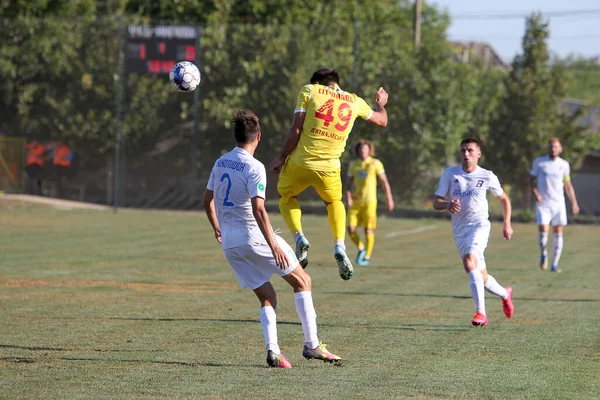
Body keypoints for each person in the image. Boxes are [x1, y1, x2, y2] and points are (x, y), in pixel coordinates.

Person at [203, 110, 341, 368]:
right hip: (254, 238)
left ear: (236, 136)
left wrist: (217, 227)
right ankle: (312, 345)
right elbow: (259, 210)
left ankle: (274, 352)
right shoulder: (254, 167)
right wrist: (273, 244)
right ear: (258, 137)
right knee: (302, 280)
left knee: (267, 296)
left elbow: (206, 201)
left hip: (231, 246)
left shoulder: (220, 161)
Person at [271, 68, 389, 281]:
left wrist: (281, 158)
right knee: (334, 202)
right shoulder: (354, 101)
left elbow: (296, 130)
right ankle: (339, 245)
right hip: (329, 169)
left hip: (300, 163)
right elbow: (382, 121)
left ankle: (299, 237)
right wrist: (380, 103)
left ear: (317, 82)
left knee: (287, 197)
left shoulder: (309, 90)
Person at [433, 138, 514, 326]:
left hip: (480, 226)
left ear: (478, 154)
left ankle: (481, 313)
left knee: (469, 262)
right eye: (463, 150)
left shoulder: (487, 176)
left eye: (470, 150)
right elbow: (437, 202)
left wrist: (507, 224)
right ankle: (504, 293)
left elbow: (503, 199)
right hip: (460, 231)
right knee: (480, 275)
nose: (466, 154)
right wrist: (447, 204)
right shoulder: (450, 174)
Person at [530, 137, 580, 273]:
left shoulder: (564, 165)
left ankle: (554, 264)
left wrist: (574, 202)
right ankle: (544, 252)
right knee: (543, 232)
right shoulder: (540, 162)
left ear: (560, 149)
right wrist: (536, 193)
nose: (553, 149)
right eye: (551, 146)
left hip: (558, 204)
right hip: (543, 203)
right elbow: (531, 180)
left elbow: (567, 184)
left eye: (556, 146)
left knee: (558, 234)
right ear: (548, 148)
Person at [345, 139, 394, 266]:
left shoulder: (375, 163)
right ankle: (361, 247)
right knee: (350, 228)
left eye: (365, 149)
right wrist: (348, 197)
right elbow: (348, 184)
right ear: (358, 150)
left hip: (370, 202)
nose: (363, 151)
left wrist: (389, 198)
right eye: (361, 149)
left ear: (369, 150)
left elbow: (384, 182)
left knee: (368, 230)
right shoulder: (353, 164)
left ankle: (367, 256)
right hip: (356, 202)